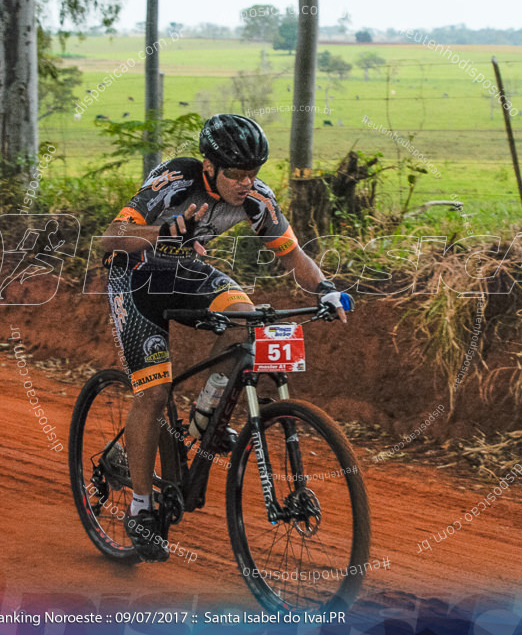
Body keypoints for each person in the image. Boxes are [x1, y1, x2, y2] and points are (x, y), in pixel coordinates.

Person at [100, 114, 351, 562]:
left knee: (245, 318)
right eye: (235, 173)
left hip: (184, 274)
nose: (244, 182)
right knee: (154, 393)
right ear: (209, 165)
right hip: (135, 280)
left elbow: (294, 255)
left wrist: (326, 289)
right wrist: (163, 231)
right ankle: (140, 510)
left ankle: (204, 419)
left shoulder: (258, 199)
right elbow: (110, 239)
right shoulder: (175, 179)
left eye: (253, 172)